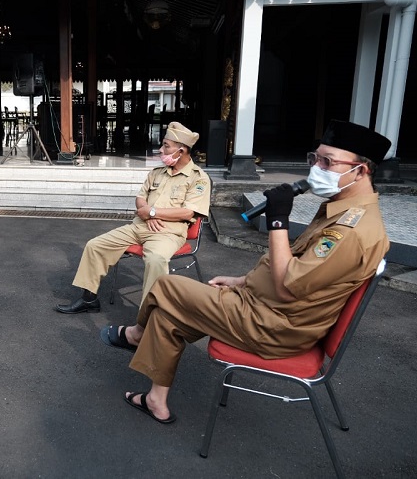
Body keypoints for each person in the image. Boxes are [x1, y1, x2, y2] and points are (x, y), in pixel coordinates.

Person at [100, 119, 391, 424]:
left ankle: (136, 334)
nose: (316, 168)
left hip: (274, 326)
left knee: (166, 286)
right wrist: (242, 282)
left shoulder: (352, 231)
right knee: (167, 314)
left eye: (327, 162)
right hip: (267, 308)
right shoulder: (343, 208)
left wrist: (278, 221)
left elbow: (287, 286)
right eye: (314, 159)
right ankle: (156, 401)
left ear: (361, 170)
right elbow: (298, 273)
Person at [55, 122, 211, 314]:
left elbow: (188, 212)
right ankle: (89, 299)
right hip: (139, 226)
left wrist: (152, 212)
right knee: (95, 245)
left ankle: (150, 315)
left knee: (156, 259)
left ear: (181, 150)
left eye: (166, 146)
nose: (161, 150)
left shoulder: (198, 178)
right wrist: (148, 213)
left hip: (167, 233)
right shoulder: (157, 173)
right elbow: (140, 198)